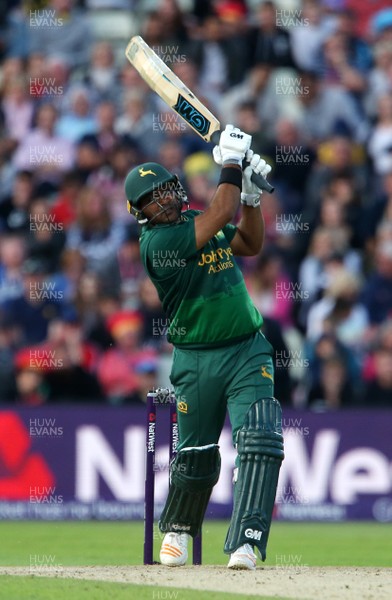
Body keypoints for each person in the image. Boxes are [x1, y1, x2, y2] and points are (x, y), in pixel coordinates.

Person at [124, 125, 284, 570]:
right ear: (142, 213)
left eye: (170, 187)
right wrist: (232, 163)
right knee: (196, 456)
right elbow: (221, 211)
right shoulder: (159, 244)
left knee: (260, 437)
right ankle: (177, 529)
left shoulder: (196, 220)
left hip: (247, 349)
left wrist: (251, 197)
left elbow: (250, 243)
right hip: (195, 358)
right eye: (157, 196)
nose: (170, 196)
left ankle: (247, 541)